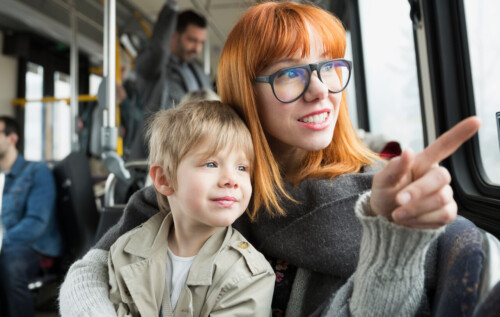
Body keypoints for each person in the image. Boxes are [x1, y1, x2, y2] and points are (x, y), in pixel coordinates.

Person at [59, 2, 481, 316]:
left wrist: (395, 237)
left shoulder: (380, 196)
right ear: (246, 92)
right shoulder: (201, 187)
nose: (321, 90)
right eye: (290, 73)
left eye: (330, 66)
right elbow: (91, 271)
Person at [107, 100, 274, 316]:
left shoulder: (249, 276)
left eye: (242, 168)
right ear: (165, 179)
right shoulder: (125, 252)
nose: (231, 180)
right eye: (211, 164)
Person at [128, 0, 213, 160]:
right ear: (173, 35)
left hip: (195, 153)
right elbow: (158, 50)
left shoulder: (198, 72)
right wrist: (171, 6)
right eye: (192, 40)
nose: (197, 49)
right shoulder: (155, 69)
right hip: (161, 155)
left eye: (201, 42)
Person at [0, 116, 61, 317]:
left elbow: (37, 222)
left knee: (10, 263)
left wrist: (3, 240)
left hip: (33, 247)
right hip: (7, 243)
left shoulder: (36, 171)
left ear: (12, 138)